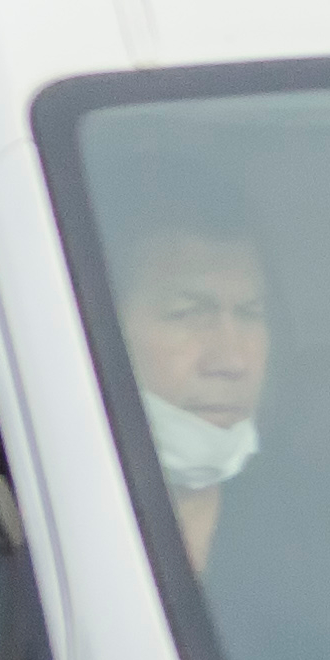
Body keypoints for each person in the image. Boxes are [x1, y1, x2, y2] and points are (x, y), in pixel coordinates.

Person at [112, 199, 274, 575]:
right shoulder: (32, 518)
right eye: (187, 314)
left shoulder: (324, 529)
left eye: (250, 314)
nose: (232, 361)